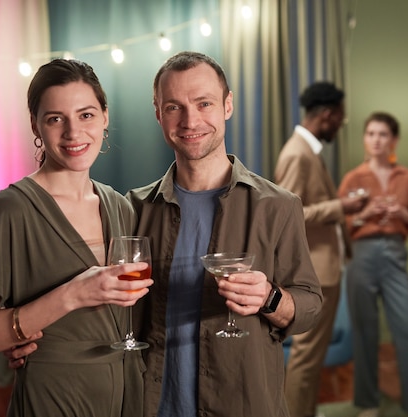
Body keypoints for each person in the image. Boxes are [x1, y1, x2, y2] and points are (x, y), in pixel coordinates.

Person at [127, 51, 322, 417]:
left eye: (204, 103)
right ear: (158, 114)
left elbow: (311, 306)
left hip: (244, 406)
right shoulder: (134, 208)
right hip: (150, 406)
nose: (191, 120)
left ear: (227, 105)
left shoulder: (278, 206)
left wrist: (270, 297)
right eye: (174, 107)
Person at [0, 58, 153, 417]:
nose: (74, 133)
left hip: (125, 396)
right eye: (55, 118)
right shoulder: (11, 210)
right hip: (54, 397)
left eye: (86, 115)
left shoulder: (120, 207)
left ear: (105, 117)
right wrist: (71, 295)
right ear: (36, 125)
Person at [274, 81, 366, 417]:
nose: (342, 124)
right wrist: (340, 206)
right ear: (327, 115)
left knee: (312, 356)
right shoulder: (298, 154)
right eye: (340, 117)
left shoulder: (307, 151)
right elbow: (289, 213)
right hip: (316, 270)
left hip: (325, 267)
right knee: (307, 356)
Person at [337, 112, 408, 417]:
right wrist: (364, 216)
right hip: (361, 255)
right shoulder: (353, 178)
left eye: (383, 134)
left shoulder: (407, 177)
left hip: (395, 254)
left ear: (394, 140)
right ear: (365, 138)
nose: (376, 140)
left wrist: (403, 213)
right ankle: (368, 403)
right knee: (365, 331)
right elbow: (340, 225)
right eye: (371, 134)